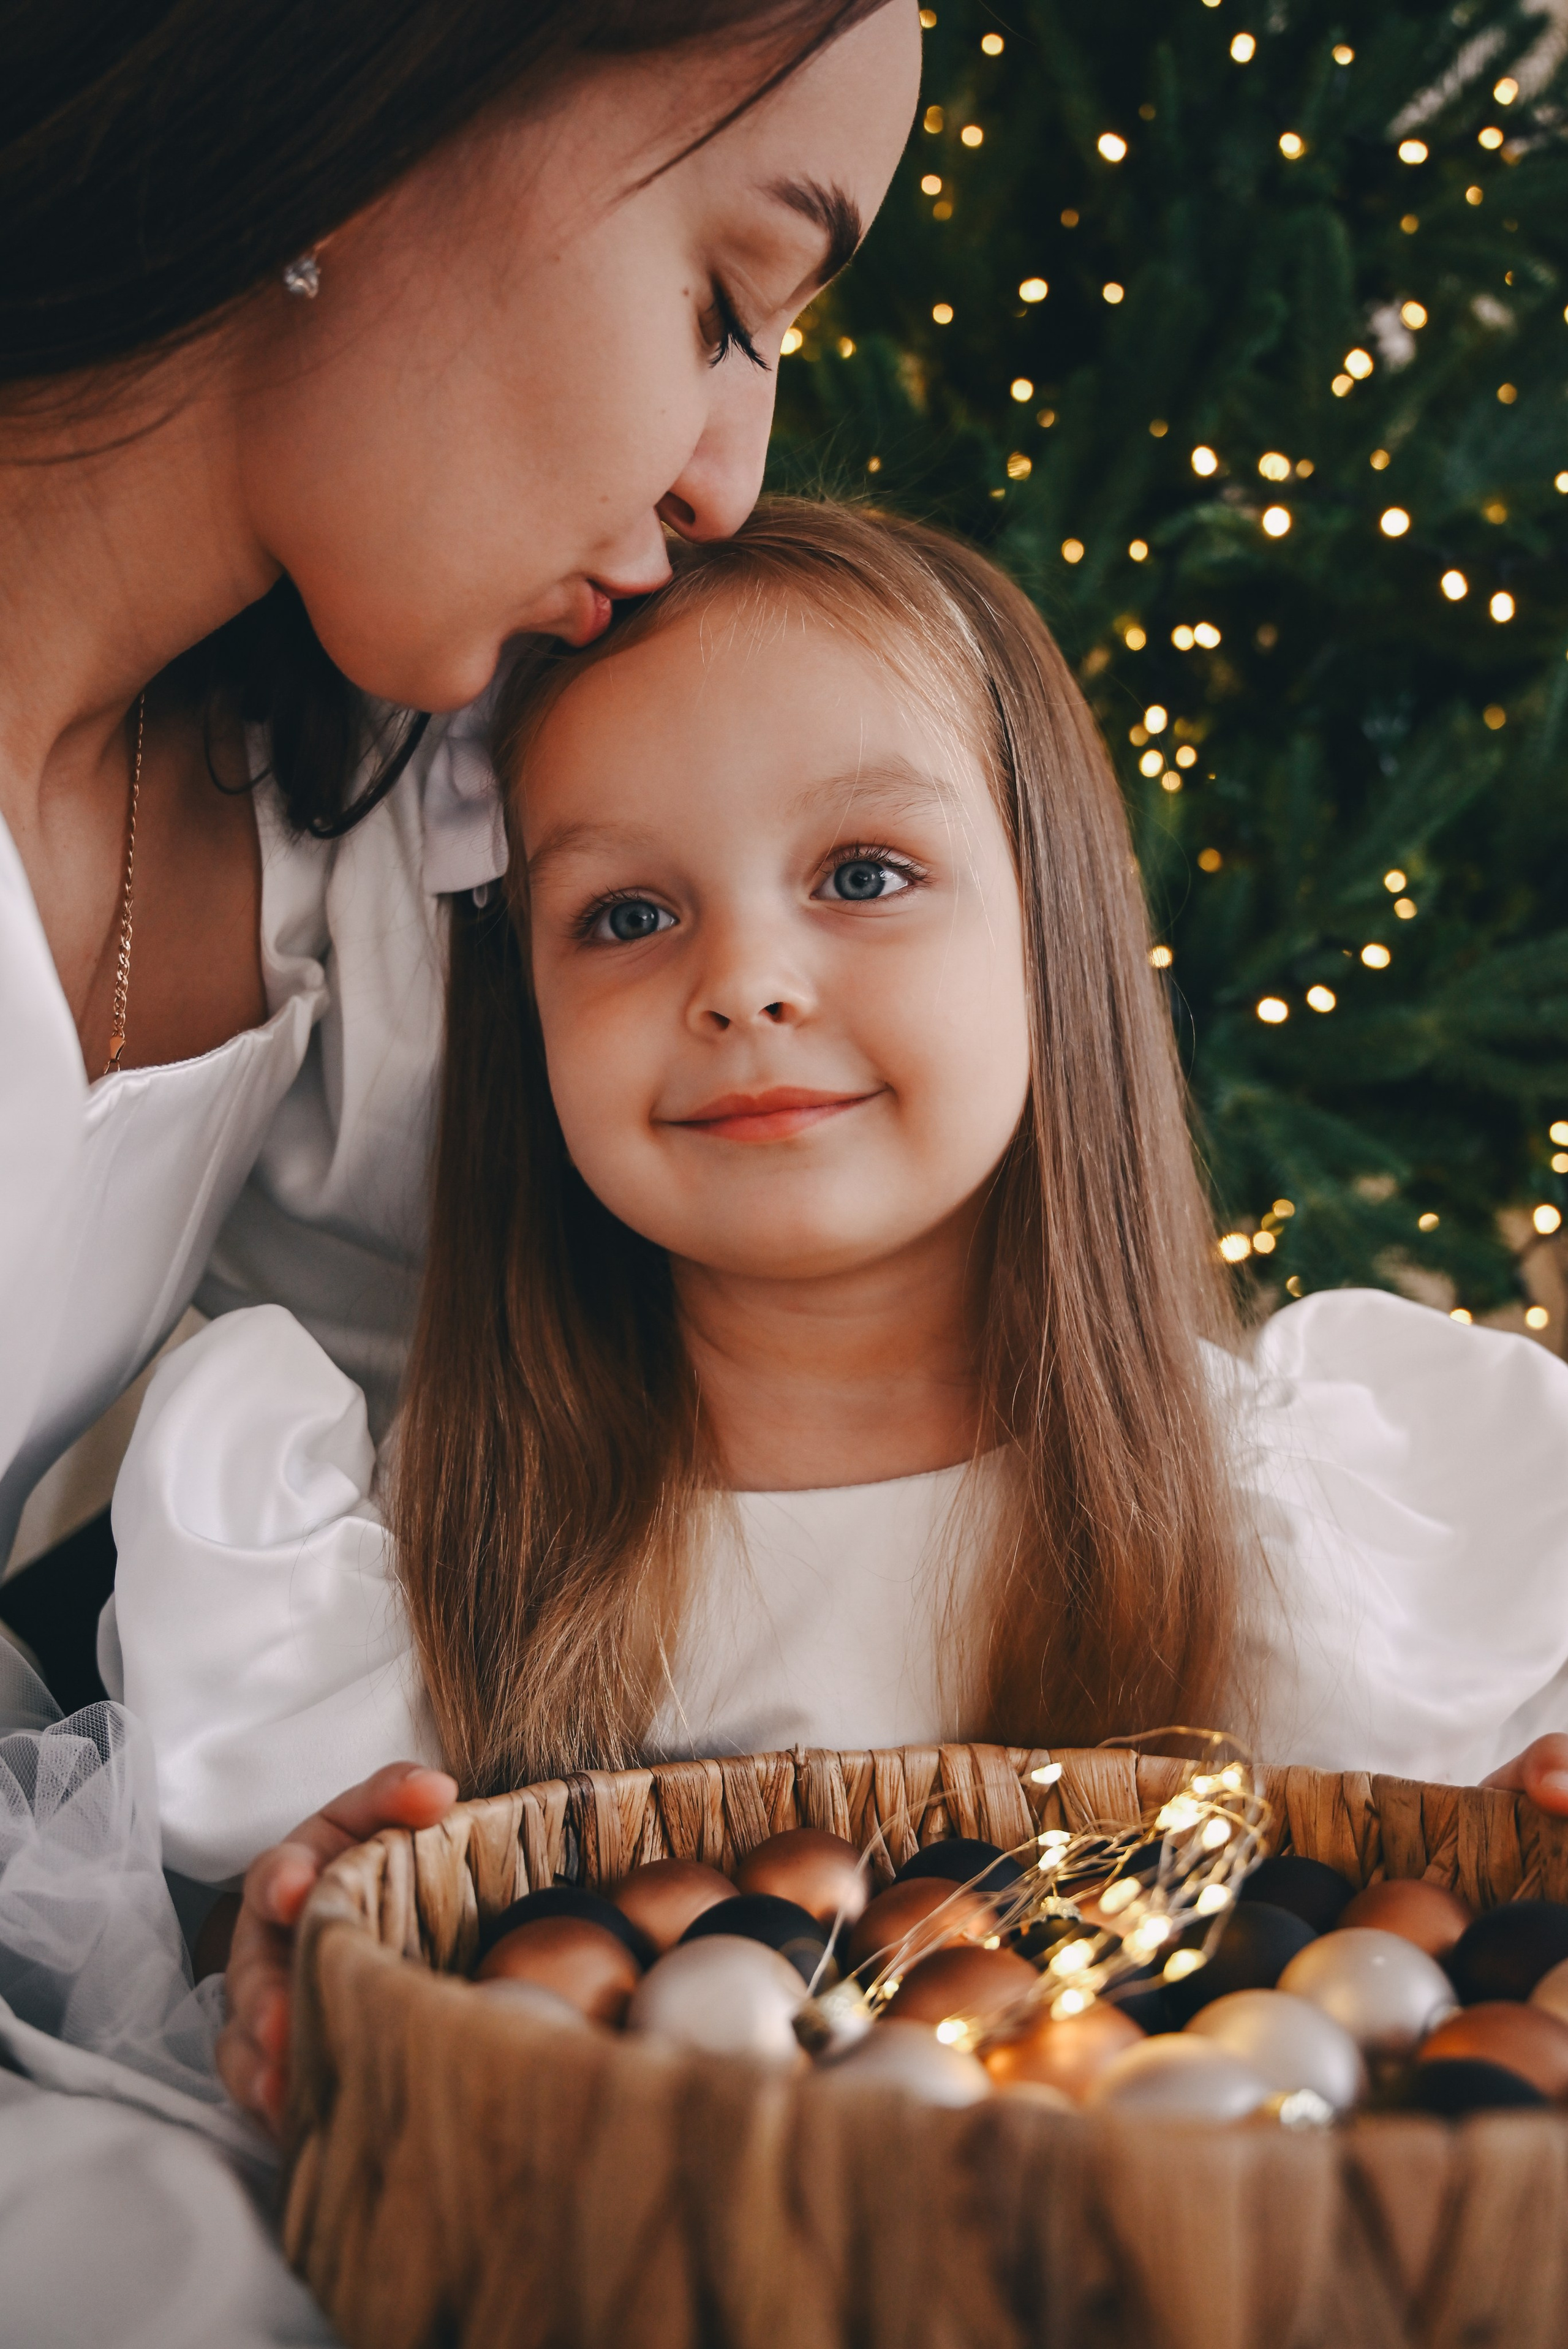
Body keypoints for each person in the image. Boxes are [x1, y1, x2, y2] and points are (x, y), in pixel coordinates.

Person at [110, 500, 1568, 2123]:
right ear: (525, 1016)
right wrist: (298, 1947)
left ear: (1054, 934)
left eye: (864, 873)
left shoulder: (1308, 1524)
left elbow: (1395, 2006)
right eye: (626, 913)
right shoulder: (418, 1562)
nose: (746, 980)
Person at [0, 0, 918, 2299]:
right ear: (380, 97)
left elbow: (702, 1431)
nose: (730, 470)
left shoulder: (340, 843)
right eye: (725, 295)